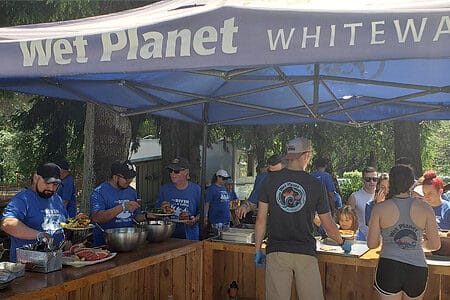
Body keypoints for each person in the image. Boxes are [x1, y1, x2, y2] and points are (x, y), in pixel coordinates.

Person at [254, 137, 351, 300]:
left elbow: (261, 220)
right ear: (306, 155)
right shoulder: (315, 184)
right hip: (305, 253)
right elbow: (328, 224)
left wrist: (257, 250)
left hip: (277, 251)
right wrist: (342, 242)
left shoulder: (269, 180)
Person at [367, 165, 440, 300]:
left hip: (389, 266)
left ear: (391, 183)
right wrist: (417, 244)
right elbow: (435, 244)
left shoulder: (380, 208)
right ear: (410, 183)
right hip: (417, 268)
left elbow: (372, 244)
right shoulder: (425, 208)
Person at [1, 162, 67, 262]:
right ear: (36, 177)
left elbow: (65, 224)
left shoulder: (57, 199)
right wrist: (39, 235)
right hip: (28, 265)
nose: (51, 188)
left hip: (56, 262)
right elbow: (7, 224)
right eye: (47, 183)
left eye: (55, 184)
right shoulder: (23, 199)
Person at [90, 159, 145, 246]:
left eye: (131, 177)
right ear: (115, 177)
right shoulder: (99, 192)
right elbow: (97, 218)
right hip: (106, 244)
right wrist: (122, 207)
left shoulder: (132, 192)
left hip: (128, 242)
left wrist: (147, 216)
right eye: (126, 178)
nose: (130, 180)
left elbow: (135, 217)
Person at [155, 157, 201, 240]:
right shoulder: (164, 189)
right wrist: (161, 209)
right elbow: (156, 212)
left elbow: (202, 213)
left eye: (176, 171)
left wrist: (194, 219)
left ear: (186, 172)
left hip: (190, 237)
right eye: (170, 171)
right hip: (168, 236)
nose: (173, 174)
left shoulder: (196, 190)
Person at [235, 154, 285, 219]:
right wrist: (244, 206)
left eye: (277, 173)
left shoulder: (293, 182)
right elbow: (251, 203)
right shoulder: (263, 179)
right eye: (270, 172)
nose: (273, 176)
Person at [348, 166, 378, 241]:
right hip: (361, 238)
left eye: (374, 179)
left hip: (380, 237)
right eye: (368, 179)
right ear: (362, 180)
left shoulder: (383, 195)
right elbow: (348, 218)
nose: (371, 182)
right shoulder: (354, 196)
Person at [205, 169, 232, 234]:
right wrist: (205, 216)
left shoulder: (224, 188)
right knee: (218, 237)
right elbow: (207, 203)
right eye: (223, 178)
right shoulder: (211, 189)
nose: (225, 181)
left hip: (226, 218)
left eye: (226, 179)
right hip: (216, 219)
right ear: (218, 177)